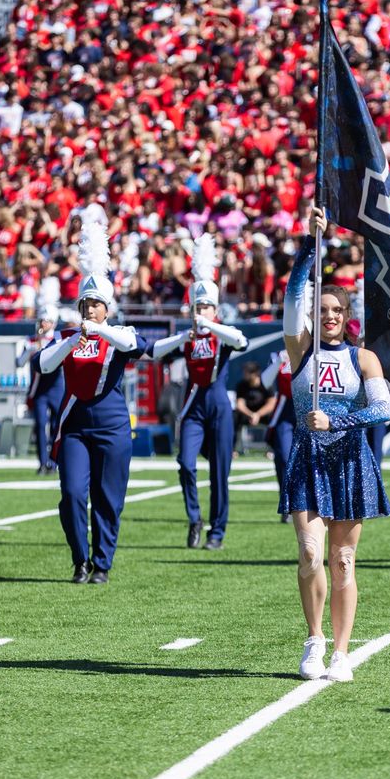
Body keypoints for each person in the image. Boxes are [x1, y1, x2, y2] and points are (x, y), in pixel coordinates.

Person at [280, 208, 390, 683]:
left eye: (335, 311)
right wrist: (311, 244)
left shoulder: (362, 357)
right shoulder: (299, 348)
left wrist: (338, 418)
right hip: (308, 457)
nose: (327, 316)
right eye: (321, 309)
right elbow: (291, 298)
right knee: (309, 553)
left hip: (349, 460)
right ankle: (314, 640)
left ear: (346, 319)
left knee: (343, 559)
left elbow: (382, 409)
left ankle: (342, 651)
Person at [36, 215, 148, 584]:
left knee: (108, 498)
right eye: (86, 303)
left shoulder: (117, 332)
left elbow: (137, 346)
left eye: (97, 303)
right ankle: (80, 558)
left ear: (108, 307)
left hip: (113, 425)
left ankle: (102, 562)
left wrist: (100, 330)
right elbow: (44, 363)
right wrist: (71, 340)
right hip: (74, 425)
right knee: (70, 494)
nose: (90, 309)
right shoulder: (69, 334)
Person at [149, 234, 248, 550]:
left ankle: (216, 532)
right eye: (198, 305)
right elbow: (155, 352)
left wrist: (210, 324)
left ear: (215, 308)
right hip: (193, 405)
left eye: (207, 306)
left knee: (220, 473)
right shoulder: (189, 336)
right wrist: (184, 336)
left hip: (219, 405)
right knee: (186, 464)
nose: (202, 311)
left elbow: (240, 341)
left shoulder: (222, 334)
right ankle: (195, 519)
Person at [17, 278, 63, 475]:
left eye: (46, 320)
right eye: (41, 319)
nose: (43, 323)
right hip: (39, 389)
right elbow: (19, 362)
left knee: (56, 425)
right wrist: (30, 350)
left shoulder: (60, 338)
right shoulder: (31, 340)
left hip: (56, 385)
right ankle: (42, 462)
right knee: (40, 425)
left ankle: (54, 461)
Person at [261, 350, 295, 523]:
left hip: (309, 409)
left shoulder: (315, 352)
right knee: (283, 457)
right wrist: (279, 361)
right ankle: (287, 503)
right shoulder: (278, 356)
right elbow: (265, 382)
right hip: (285, 412)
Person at [233, 360, 273, 453]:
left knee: (274, 418)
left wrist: (258, 415)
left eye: (246, 372)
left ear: (254, 373)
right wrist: (251, 414)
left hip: (263, 415)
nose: (244, 374)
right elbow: (240, 404)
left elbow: (271, 404)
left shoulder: (266, 384)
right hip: (247, 415)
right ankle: (234, 449)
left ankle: (272, 450)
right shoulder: (241, 385)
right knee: (234, 417)